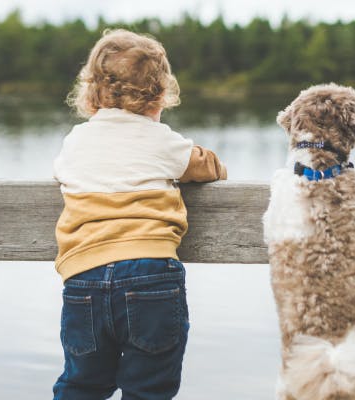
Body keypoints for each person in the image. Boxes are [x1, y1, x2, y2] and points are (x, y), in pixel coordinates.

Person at [51, 29, 227, 400]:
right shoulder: (162, 140)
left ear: (91, 92)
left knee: (82, 385)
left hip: (83, 277)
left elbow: (62, 172)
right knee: (148, 390)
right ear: (161, 95)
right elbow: (209, 168)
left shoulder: (75, 141)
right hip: (150, 275)